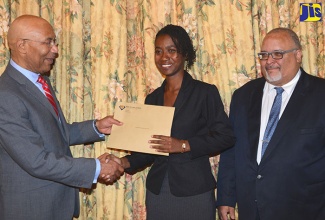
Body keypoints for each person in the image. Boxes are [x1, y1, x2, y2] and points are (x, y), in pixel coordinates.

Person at [0, 15, 124, 220]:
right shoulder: (6, 95)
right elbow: (36, 160)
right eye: (48, 42)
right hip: (30, 210)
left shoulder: (41, 82)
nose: (55, 50)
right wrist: (96, 167)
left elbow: (56, 132)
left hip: (55, 206)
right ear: (22, 46)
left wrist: (97, 127)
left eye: (54, 42)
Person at [111, 24, 235, 220]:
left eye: (171, 50)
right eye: (158, 52)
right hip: (159, 191)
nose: (164, 57)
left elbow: (226, 137)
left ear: (184, 53)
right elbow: (149, 149)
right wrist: (124, 162)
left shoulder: (204, 92)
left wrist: (184, 145)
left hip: (195, 191)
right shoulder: (152, 99)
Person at [216, 27, 325, 220]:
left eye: (277, 54)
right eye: (264, 55)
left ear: (298, 55)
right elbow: (230, 151)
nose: (269, 61)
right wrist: (226, 197)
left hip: (305, 209)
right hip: (252, 208)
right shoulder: (243, 96)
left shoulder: (320, 94)